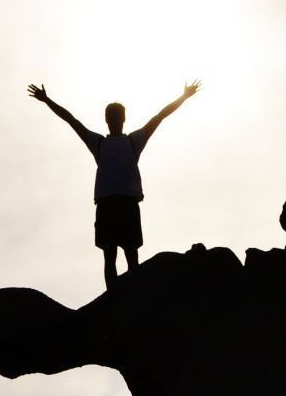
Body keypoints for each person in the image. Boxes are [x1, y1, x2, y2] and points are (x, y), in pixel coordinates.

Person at [27, 80, 202, 289]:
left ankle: (133, 297)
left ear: (123, 119)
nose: (115, 120)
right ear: (107, 120)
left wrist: (183, 97)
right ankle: (112, 299)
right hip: (107, 205)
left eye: (117, 117)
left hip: (127, 204)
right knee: (110, 256)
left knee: (131, 255)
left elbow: (160, 117)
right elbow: (71, 121)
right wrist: (47, 100)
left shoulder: (133, 141)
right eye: (112, 117)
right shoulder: (99, 143)